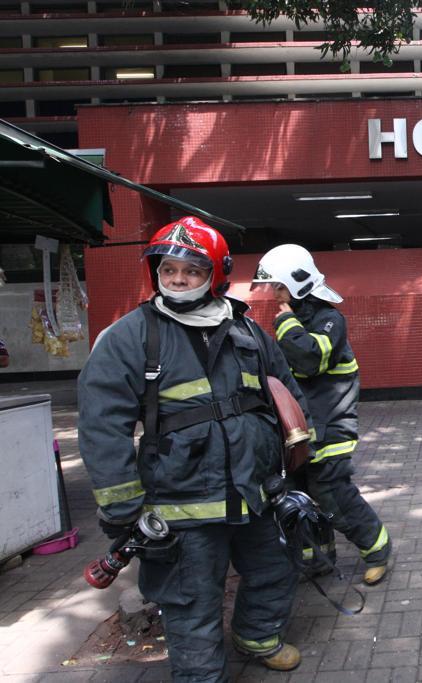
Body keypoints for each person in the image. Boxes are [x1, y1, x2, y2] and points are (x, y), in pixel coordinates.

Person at [77, 217, 309, 681]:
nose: (178, 279)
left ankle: (258, 636)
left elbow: (285, 392)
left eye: (191, 270)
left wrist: (293, 459)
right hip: (183, 506)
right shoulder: (130, 337)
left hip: (254, 493)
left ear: (215, 274)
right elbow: (102, 425)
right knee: (191, 603)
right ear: (156, 274)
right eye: (168, 270)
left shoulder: (244, 330)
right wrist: (122, 507)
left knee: (277, 571)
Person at [251, 244, 392, 585]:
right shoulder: (296, 321)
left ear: (297, 284)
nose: (274, 295)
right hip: (302, 431)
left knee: (332, 495)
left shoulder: (329, 320)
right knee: (300, 497)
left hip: (331, 431)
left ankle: (377, 549)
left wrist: (285, 322)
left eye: (279, 287)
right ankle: (317, 558)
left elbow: (308, 359)